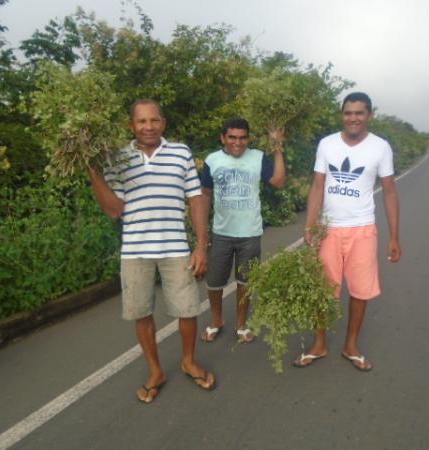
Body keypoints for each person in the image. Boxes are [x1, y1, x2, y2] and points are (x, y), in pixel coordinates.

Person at [87, 99, 215, 403]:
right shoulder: (117, 158)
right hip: (135, 251)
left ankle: (188, 361)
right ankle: (156, 370)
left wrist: (201, 245)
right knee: (141, 312)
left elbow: (195, 199)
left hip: (175, 247)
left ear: (164, 123)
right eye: (141, 121)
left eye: (154, 120)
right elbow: (114, 211)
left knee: (188, 310)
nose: (148, 127)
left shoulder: (181, 153)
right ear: (132, 126)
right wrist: (94, 173)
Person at [293, 92, 401, 371]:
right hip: (328, 230)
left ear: (369, 115)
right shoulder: (327, 144)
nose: (353, 118)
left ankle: (350, 345)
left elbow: (389, 192)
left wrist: (394, 236)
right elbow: (318, 186)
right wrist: (311, 225)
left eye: (359, 113)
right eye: (348, 113)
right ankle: (319, 344)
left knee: (360, 291)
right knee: (322, 290)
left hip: (363, 230)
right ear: (342, 114)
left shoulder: (381, 147)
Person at [200, 118, 286, 343]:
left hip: (250, 233)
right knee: (214, 283)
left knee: (245, 282)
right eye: (232, 137)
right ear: (223, 138)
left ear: (248, 138)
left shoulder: (258, 157)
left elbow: (278, 181)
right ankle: (216, 320)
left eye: (242, 138)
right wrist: (203, 233)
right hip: (221, 232)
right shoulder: (212, 160)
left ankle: (241, 324)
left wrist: (277, 148)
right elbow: (205, 195)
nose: (237, 142)